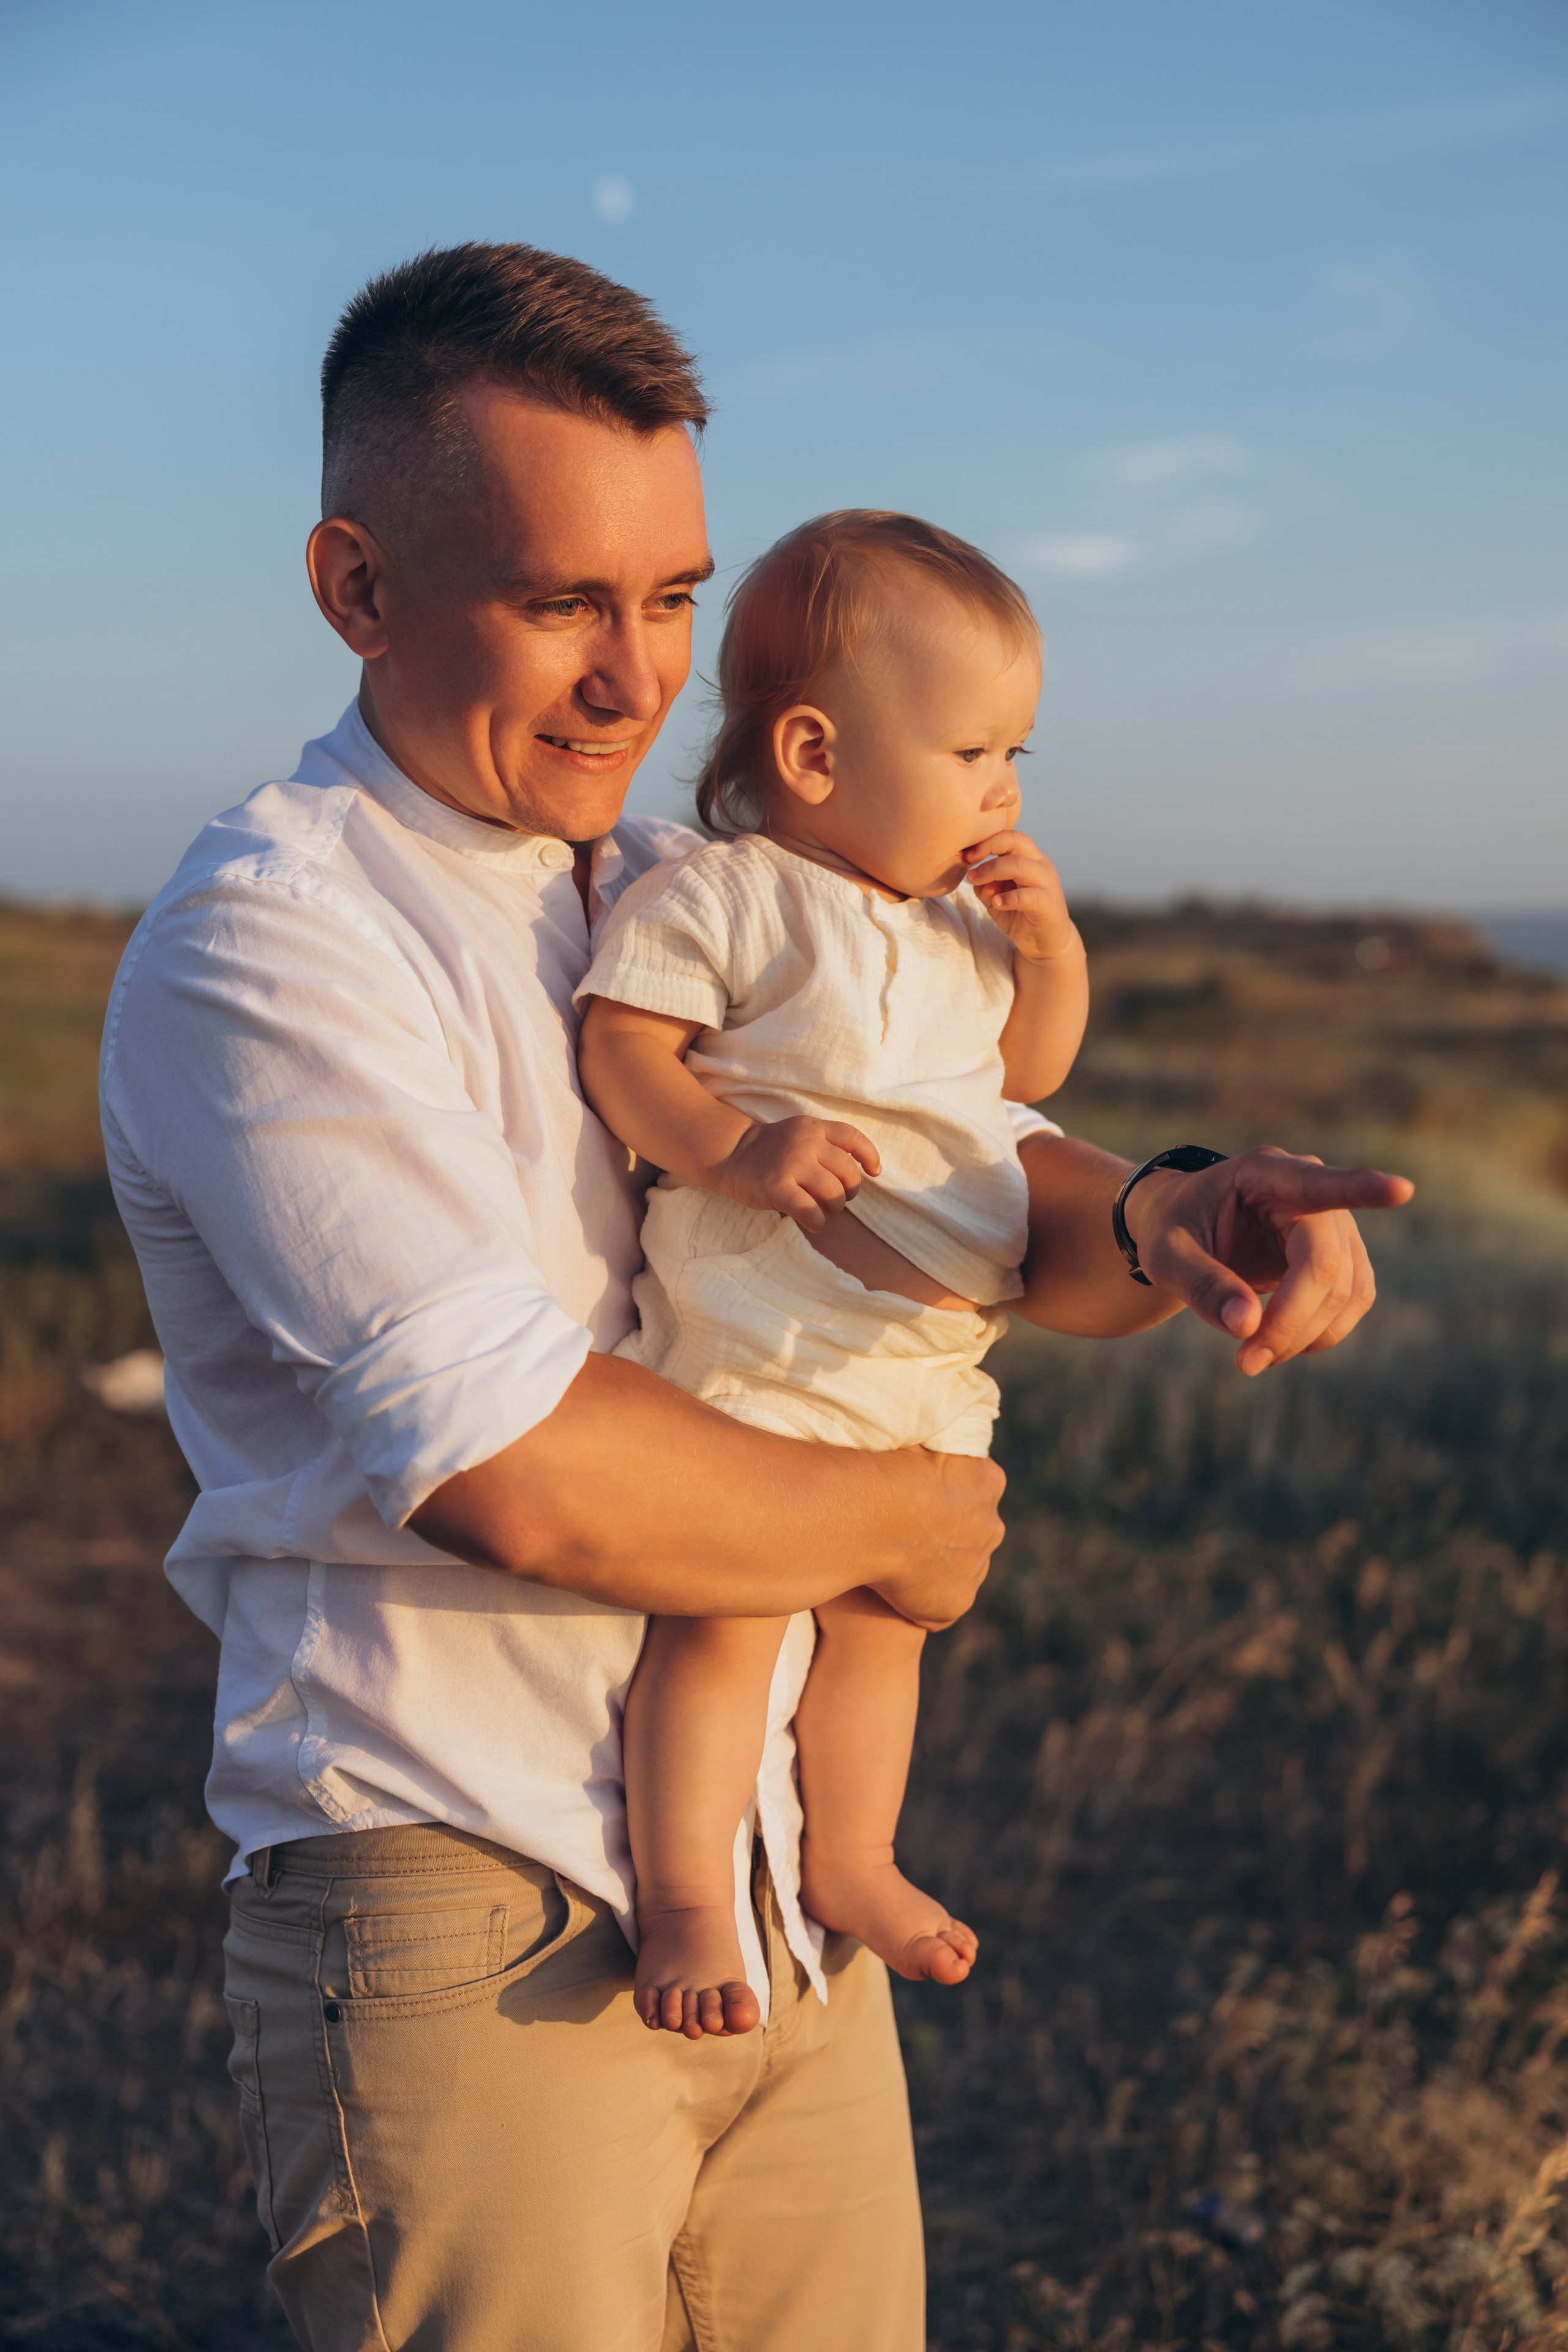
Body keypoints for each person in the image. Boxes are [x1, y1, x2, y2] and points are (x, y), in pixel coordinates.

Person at [100, 241, 1411, 2352]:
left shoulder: (672, 870)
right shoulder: (278, 944)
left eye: (674, 598)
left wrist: (1177, 1211)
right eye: (561, 604)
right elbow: (521, 1474)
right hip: (463, 1899)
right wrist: (910, 1529)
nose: (639, 680)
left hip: (782, 1888)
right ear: (355, 586)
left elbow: (967, 1155)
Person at [578, 510, 1088, 2038]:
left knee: (882, 1623)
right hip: (770, 1337)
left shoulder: (952, 928)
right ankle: (683, 1901)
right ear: (811, 753)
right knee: (727, 1626)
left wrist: (1048, 954)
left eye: (1017, 757)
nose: (1000, 790)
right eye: (970, 752)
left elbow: (1019, 1079)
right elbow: (626, 1048)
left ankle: (851, 1856)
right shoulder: (723, 895)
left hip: (921, 1366)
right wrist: (732, 1153)